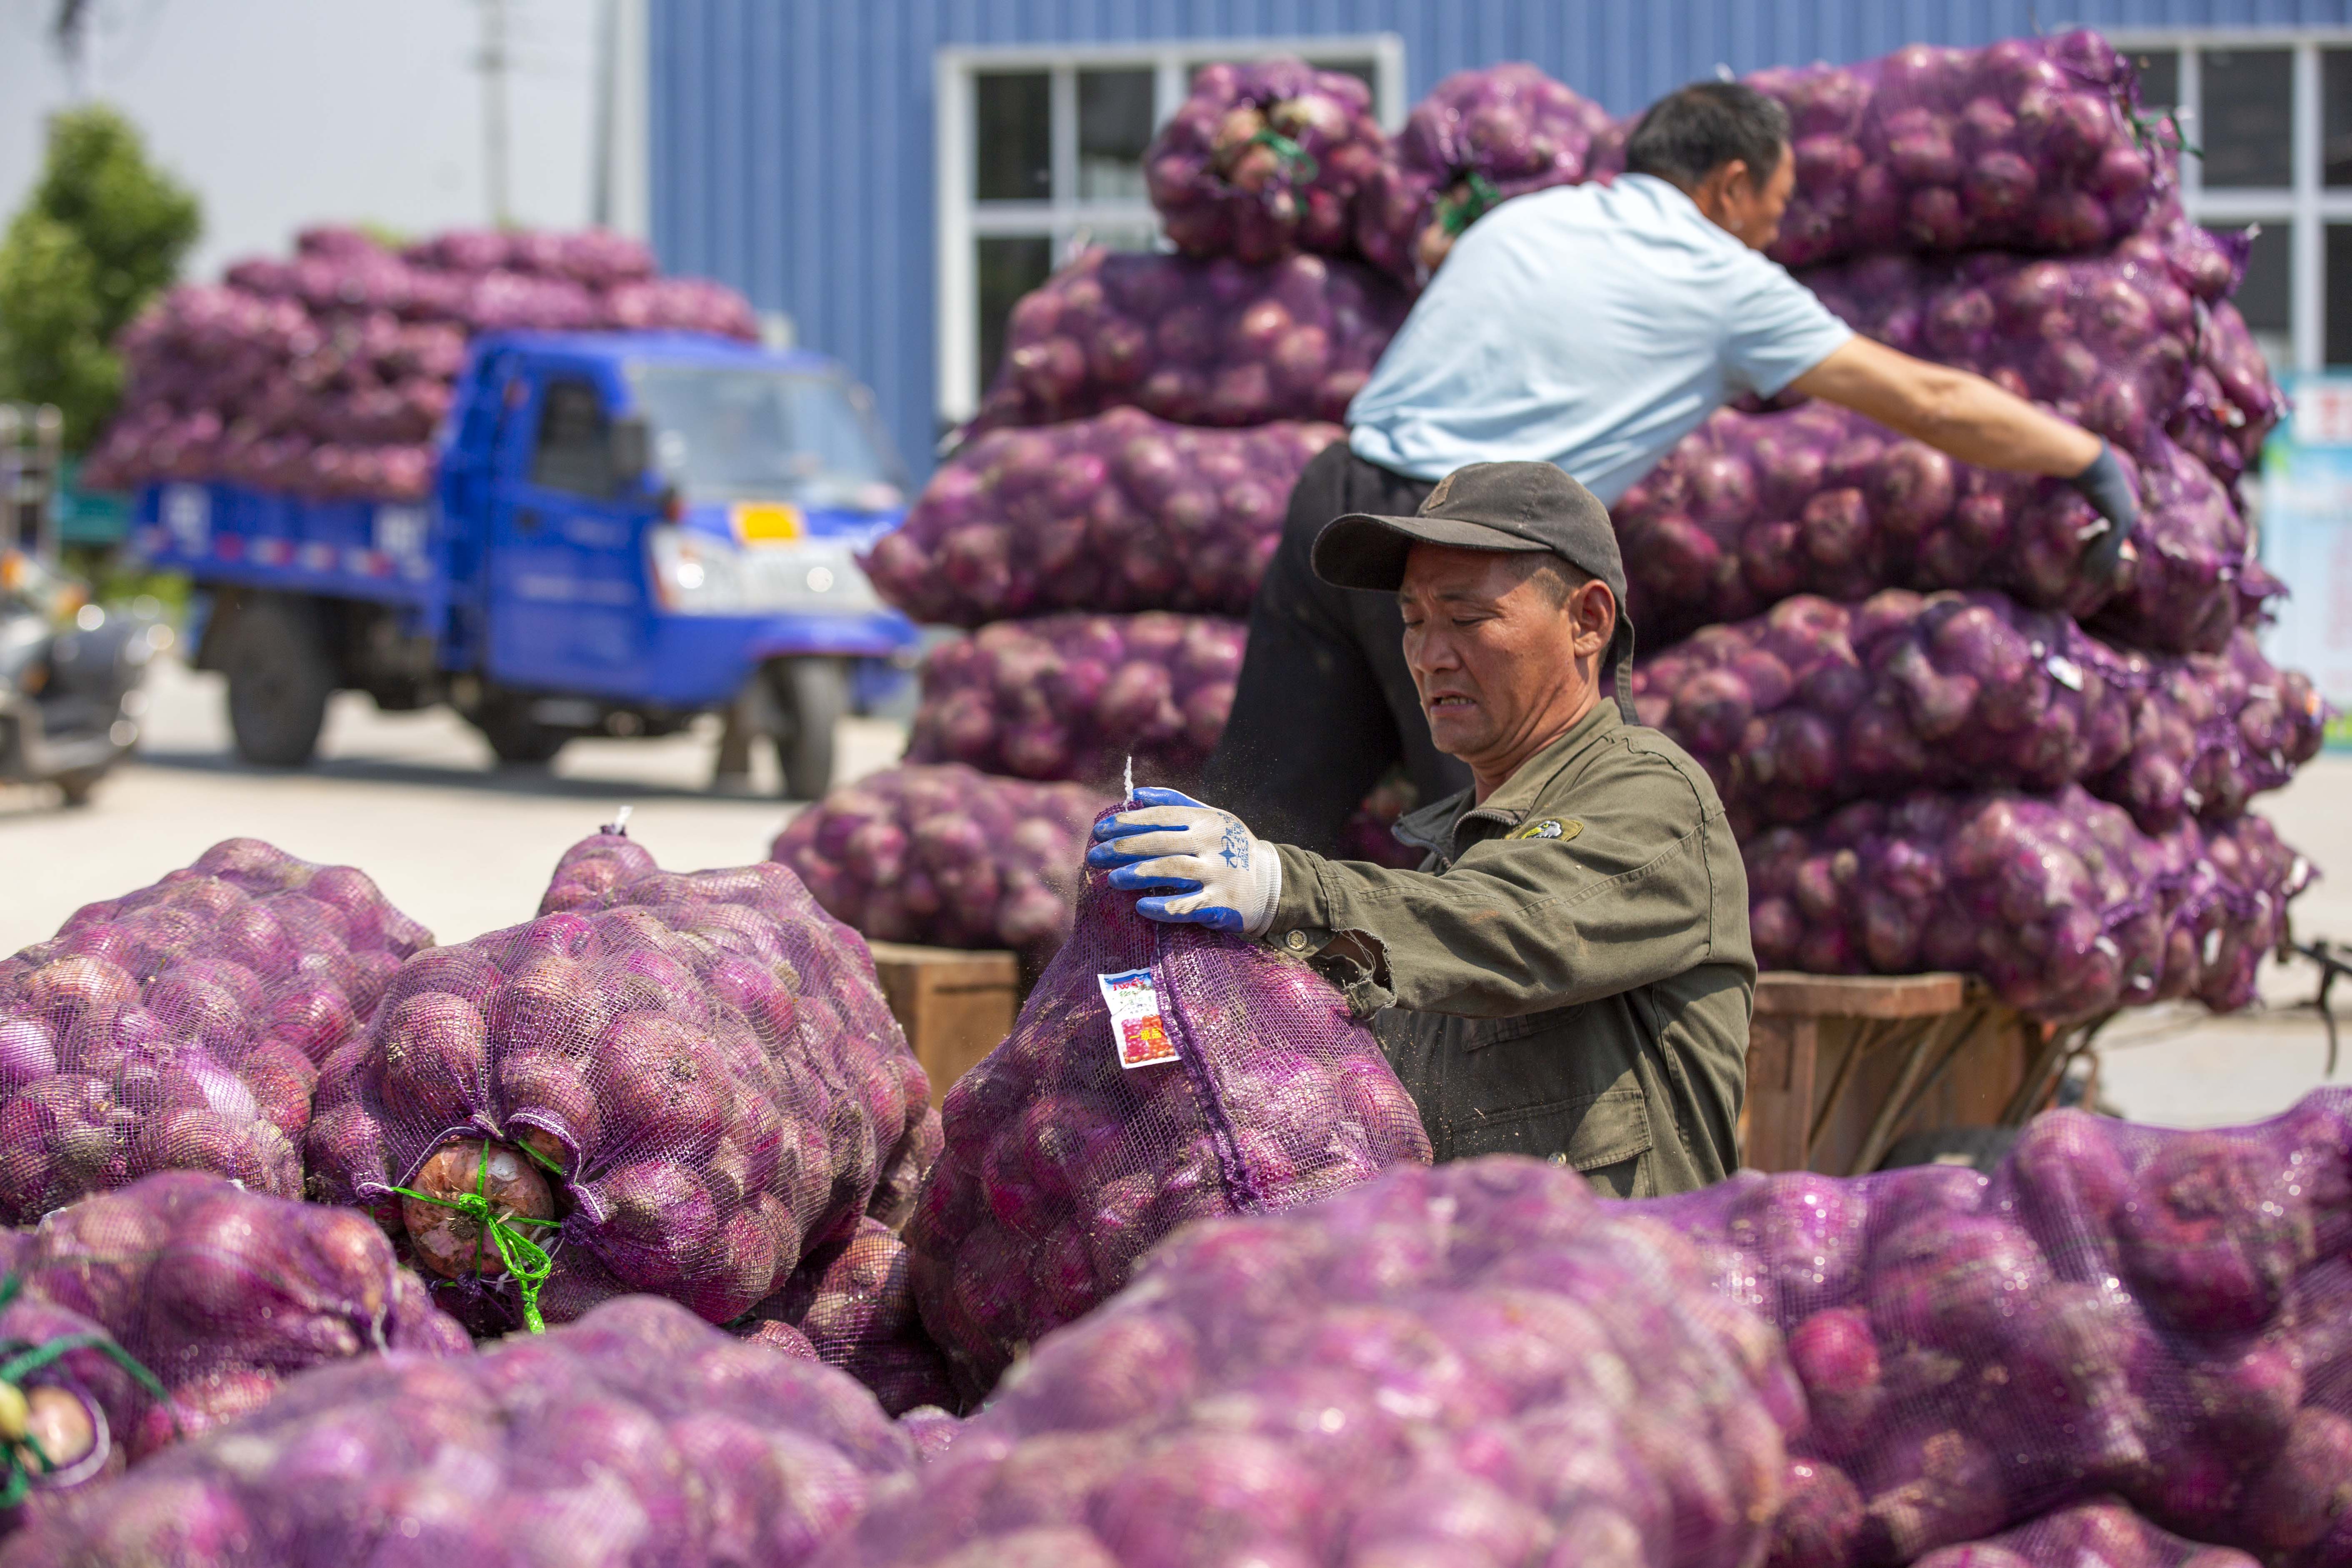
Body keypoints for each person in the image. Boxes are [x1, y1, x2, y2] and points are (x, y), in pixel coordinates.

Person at [1202, 79, 2142, 855]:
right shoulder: (1724, 279)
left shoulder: (1533, 218)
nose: (1770, 236)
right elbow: (1929, 401)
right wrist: (2088, 458)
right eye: (1772, 210)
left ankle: (1184, 1010)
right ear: (1730, 186)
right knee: (1518, 852)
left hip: (1341, 512)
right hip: (1468, 553)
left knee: (1263, 825)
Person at [1091, 461, 1748, 1196]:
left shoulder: (1655, 797)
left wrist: (1278, 884)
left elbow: (1516, 924)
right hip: (1465, 1269)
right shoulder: (1438, 873)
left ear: (1587, 621)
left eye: (1467, 618)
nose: (1431, 656)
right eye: (1412, 622)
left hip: (1624, 1267)